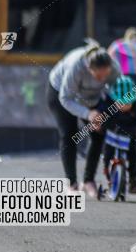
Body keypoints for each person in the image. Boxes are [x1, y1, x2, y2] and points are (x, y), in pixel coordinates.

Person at [47, 40, 121, 197]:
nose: (102, 79)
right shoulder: (77, 67)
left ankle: (88, 181)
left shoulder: (113, 68)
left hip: (91, 97)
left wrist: (105, 113)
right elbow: (65, 98)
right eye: (98, 75)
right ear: (89, 69)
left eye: (105, 75)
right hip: (61, 93)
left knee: (98, 132)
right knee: (70, 135)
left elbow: (118, 92)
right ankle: (71, 183)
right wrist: (88, 114)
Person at [98, 76, 136, 195]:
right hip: (112, 135)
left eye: (128, 103)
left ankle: (133, 181)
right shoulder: (108, 106)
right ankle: (109, 179)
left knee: (135, 155)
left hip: (129, 135)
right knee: (107, 154)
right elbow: (101, 117)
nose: (124, 106)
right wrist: (100, 123)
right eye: (120, 103)